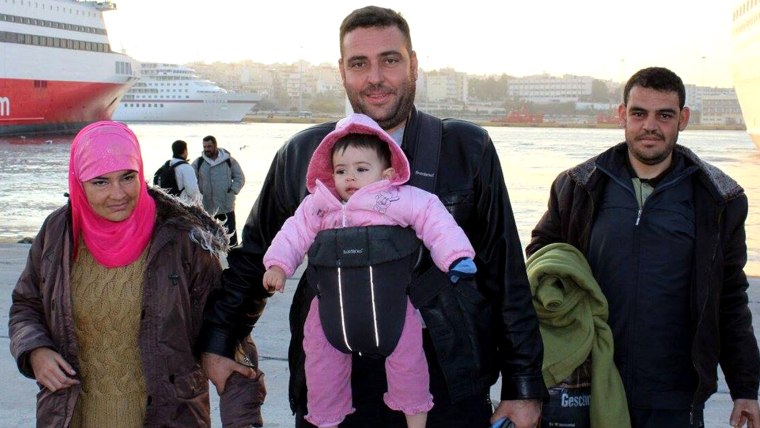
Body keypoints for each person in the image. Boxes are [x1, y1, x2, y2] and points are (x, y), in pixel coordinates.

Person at [199, 6, 547, 428]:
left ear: (413, 64)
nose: (376, 77)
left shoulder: (466, 148)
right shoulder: (301, 154)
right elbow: (253, 259)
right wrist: (219, 342)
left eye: (390, 60)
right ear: (342, 71)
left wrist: (523, 385)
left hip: (447, 386)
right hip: (331, 389)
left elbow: (506, 271)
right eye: (359, 63)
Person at [526, 67, 760, 428]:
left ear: (683, 119)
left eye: (664, 115)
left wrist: (745, 387)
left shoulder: (718, 199)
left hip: (674, 393)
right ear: (622, 115)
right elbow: (542, 272)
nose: (650, 125)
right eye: (639, 113)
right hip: (588, 381)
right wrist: (526, 382)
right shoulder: (577, 187)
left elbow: (730, 297)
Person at [8, 121, 263, 427]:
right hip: (70, 418)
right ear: (78, 182)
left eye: (128, 177)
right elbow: (26, 305)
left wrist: (243, 420)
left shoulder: (182, 241)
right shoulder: (57, 233)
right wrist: (35, 350)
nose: (118, 194)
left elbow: (229, 330)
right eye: (100, 182)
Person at [263, 113, 478, 428]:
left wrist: (456, 256)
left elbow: (433, 216)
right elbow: (293, 233)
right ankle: (325, 420)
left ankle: (415, 417)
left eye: (362, 169)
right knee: (321, 364)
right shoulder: (318, 205)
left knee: (409, 362)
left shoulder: (394, 197)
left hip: (390, 304)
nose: (350, 178)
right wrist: (278, 265)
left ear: (387, 172)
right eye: (340, 170)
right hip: (330, 309)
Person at [192, 135, 246, 246]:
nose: (206, 149)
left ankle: (233, 260)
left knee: (231, 237)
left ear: (215, 145)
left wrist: (232, 192)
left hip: (226, 205)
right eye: (205, 146)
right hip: (207, 208)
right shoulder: (198, 162)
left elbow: (240, 178)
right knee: (208, 238)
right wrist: (198, 195)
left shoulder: (229, 161)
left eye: (209, 146)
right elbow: (192, 181)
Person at [162, 139, 202, 205]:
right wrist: (199, 204)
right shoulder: (186, 167)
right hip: (184, 205)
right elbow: (192, 191)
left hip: (170, 203)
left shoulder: (168, 164)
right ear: (185, 151)